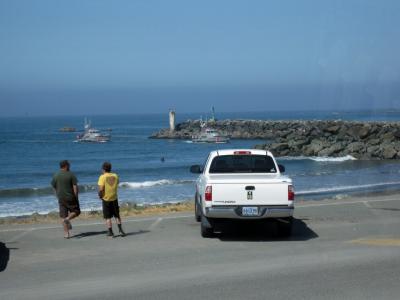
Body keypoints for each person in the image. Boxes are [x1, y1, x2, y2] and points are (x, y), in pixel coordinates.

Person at [51, 160, 80, 239]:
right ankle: (68, 219)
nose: (70, 166)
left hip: (61, 198)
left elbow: (53, 186)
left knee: (63, 216)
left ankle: (66, 234)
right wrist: (76, 196)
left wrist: (56, 195)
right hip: (70, 197)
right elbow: (75, 186)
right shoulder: (70, 174)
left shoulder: (56, 175)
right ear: (66, 166)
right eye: (69, 165)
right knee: (76, 211)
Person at [98, 162, 125, 237]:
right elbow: (117, 183)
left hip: (106, 199)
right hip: (114, 198)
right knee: (117, 215)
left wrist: (100, 196)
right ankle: (120, 230)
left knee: (108, 216)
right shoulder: (115, 175)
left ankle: (110, 231)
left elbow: (101, 189)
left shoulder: (102, 177)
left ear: (103, 169)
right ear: (110, 168)